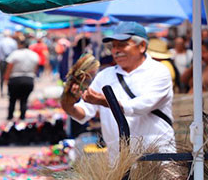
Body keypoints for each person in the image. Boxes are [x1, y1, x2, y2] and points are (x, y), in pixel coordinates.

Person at [61, 22, 175, 155]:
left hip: (156, 156)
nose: (116, 51)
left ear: (142, 46)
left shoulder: (158, 71)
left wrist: (106, 101)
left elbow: (142, 105)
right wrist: (67, 104)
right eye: (113, 46)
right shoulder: (104, 75)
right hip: (119, 160)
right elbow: (84, 112)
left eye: (122, 45)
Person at [4, 38, 39, 121]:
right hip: (29, 79)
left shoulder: (15, 54)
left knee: (12, 99)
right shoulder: (34, 55)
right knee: (24, 100)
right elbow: (36, 68)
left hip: (15, 79)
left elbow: (9, 66)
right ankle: (22, 117)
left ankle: (10, 117)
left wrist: (6, 78)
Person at [0, 30, 18, 95]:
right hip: (10, 62)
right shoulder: (13, 42)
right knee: (9, 77)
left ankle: (1, 91)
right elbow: (15, 52)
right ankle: (8, 92)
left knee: (2, 77)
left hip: (2, 61)